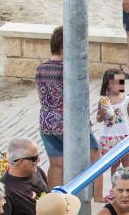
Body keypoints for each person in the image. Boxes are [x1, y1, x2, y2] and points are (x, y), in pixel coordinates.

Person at [35, 26, 102, 199]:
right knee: (94, 155)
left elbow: (40, 96)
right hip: (68, 120)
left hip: (46, 120)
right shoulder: (69, 69)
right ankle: (97, 199)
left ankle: (53, 201)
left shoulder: (41, 68)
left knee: (57, 163)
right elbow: (78, 98)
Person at [97, 68, 129, 199]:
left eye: (121, 82)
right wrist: (102, 114)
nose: (119, 85)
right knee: (114, 164)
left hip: (124, 134)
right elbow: (99, 118)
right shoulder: (103, 101)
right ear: (108, 84)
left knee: (126, 162)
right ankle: (115, 188)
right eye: (115, 83)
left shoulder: (126, 99)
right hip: (110, 136)